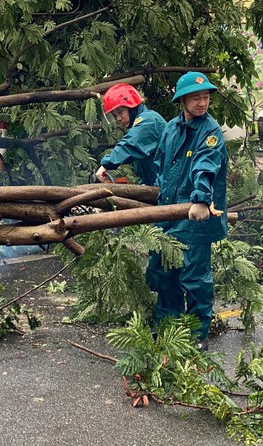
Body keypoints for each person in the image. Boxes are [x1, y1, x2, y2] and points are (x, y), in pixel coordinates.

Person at [148, 71, 227, 350]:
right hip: (168, 213)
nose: (202, 103)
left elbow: (205, 166)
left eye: (205, 97)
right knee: (164, 271)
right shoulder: (171, 128)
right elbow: (160, 165)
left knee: (194, 277)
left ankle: (195, 334)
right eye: (196, 98)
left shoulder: (210, 132)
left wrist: (202, 200)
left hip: (195, 216)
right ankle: (168, 329)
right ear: (182, 100)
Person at [95, 84, 167, 186]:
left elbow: (130, 145)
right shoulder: (142, 122)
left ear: (132, 107)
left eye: (120, 112)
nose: (118, 119)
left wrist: (105, 165)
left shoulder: (149, 121)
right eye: (115, 115)